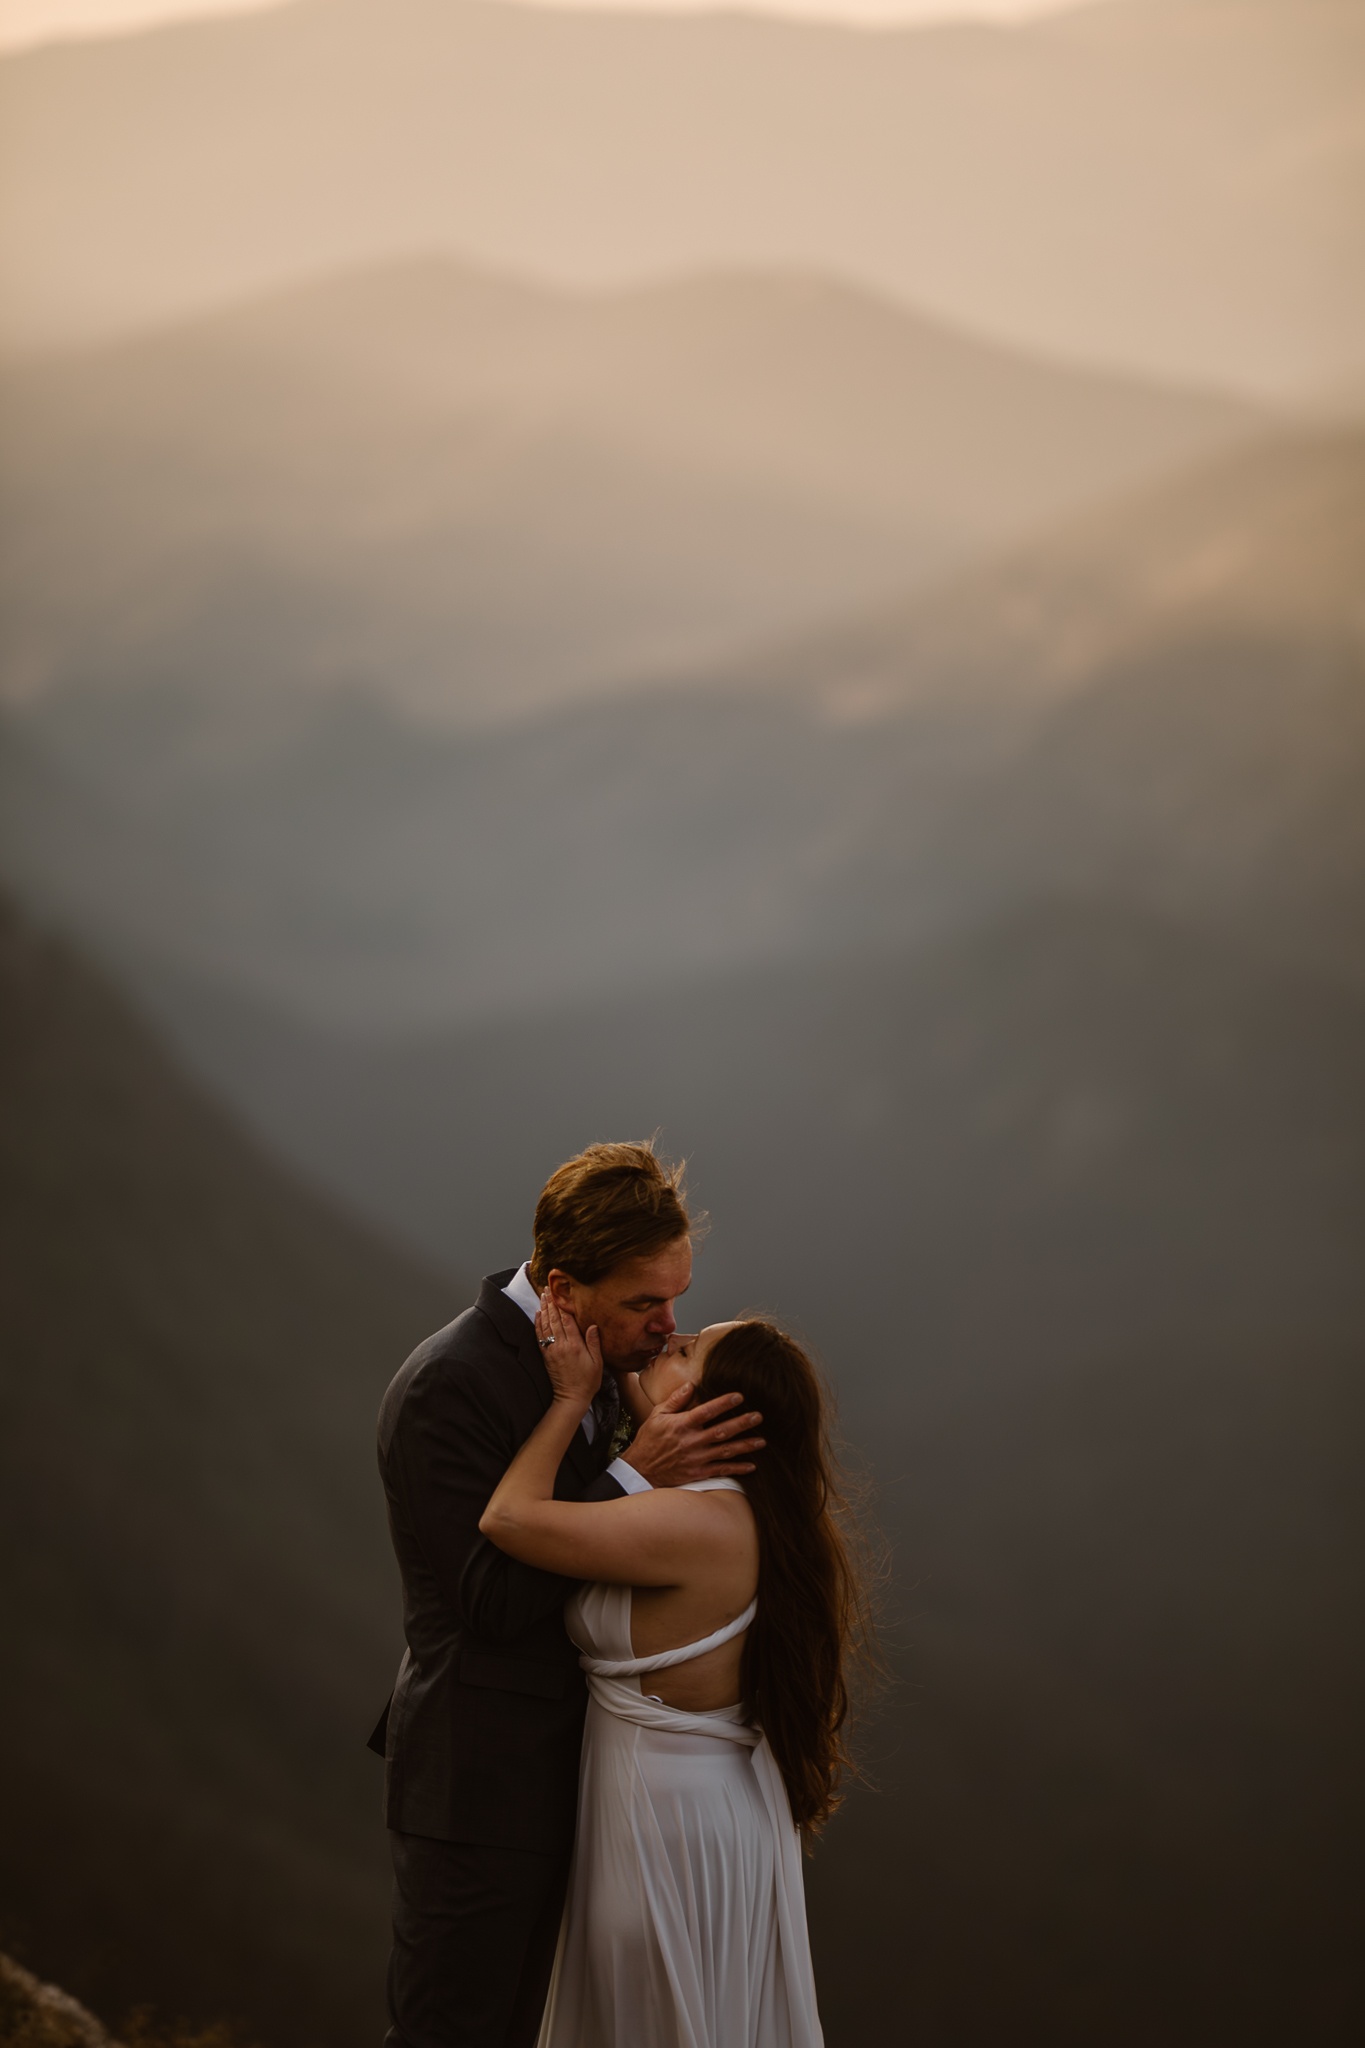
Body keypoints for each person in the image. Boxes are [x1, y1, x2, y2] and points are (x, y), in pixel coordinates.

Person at [372, 1142, 765, 2048]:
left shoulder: (600, 1356)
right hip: (480, 1785)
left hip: (584, 1783)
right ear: (560, 1286)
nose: (670, 1325)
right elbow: (493, 1603)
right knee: (454, 2033)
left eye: (677, 1295)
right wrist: (633, 1472)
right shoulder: (451, 1385)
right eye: (645, 1302)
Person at [479, 1296, 871, 2048]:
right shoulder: (746, 1514)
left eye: (690, 1349)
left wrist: (568, 1401)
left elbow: (508, 1519)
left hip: (659, 1824)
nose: (670, 1336)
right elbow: (645, 1407)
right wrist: (639, 1391)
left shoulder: (691, 1524)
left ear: (712, 1411)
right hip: (707, 1811)